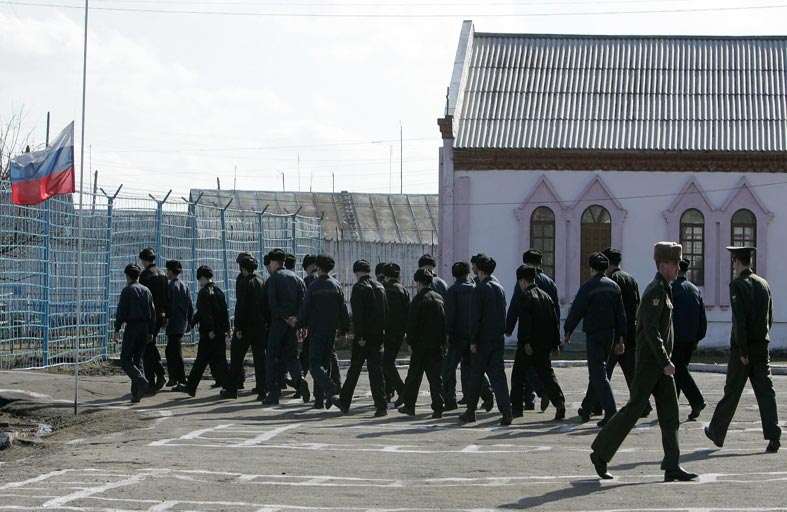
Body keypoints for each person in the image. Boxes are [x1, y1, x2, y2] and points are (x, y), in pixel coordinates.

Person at [590, 242, 698, 482]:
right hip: (652, 364)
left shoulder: (666, 289)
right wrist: (664, 361)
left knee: (670, 413)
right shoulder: (656, 291)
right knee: (633, 409)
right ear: (663, 265)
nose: (677, 268)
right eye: (674, 264)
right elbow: (650, 330)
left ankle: (672, 465)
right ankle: (600, 452)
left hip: (661, 365)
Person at [705, 246, 781, 454]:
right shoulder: (763, 283)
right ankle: (774, 437)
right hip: (762, 345)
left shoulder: (738, 285)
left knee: (732, 391)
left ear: (737, 262)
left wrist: (743, 350)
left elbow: (740, 320)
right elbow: (770, 316)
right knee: (766, 392)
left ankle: (716, 431)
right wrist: (762, 339)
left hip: (744, 349)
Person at [564, 252, 626, 426]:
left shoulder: (588, 286)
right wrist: (621, 339)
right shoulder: (614, 287)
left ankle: (611, 411)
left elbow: (577, 309)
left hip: (594, 335)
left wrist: (568, 330)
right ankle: (587, 408)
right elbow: (621, 315)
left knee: (598, 373)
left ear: (591, 268)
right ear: (606, 268)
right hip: (610, 335)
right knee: (599, 372)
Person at [506, 265, 566, 421]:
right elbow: (554, 322)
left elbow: (526, 322)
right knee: (547, 374)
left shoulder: (525, 297)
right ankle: (559, 403)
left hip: (529, 345)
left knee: (518, 376)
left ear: (522, 281)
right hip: (544, 344)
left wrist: (525, 342)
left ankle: (517, 409)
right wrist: (555, 343)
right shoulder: (546, 297)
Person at [459, 255, 513, 426]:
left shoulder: (480, 289)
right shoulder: (499, 288)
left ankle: (470, 411)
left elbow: (475, 318)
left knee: (475, 375)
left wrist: (473, 340)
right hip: (497, 339)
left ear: (480, 271)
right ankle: (506, 411)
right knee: (498, 377)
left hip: (482, 340)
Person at [600, 247, 651, 418]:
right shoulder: (631, 279)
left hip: (616, 333)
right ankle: (644, 404)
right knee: (631, 372)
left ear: (607, 263)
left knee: (603, 371)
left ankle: (594, 405)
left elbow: (612, 309)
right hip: (631, 331)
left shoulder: (611, 280)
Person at [297, 254, 350, 409]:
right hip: (331, 331)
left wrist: (301, 325)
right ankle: (319, 400)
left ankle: (330, 387)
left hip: (316, 330)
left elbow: (306, 309)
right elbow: (343, 310)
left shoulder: (313, 286)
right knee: (325, 364)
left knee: (315, 365)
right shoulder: (337, 285)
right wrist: (344, 329)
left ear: (317, 267)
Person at [337, 259, 388, 416]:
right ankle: (381, 405)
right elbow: (386, 311)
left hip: (364, 337)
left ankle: (344, 401)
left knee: (355, 369)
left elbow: (358, 316)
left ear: (356, 272)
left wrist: (360, 336)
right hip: (378, 335)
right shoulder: (380, 286)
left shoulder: (359, 288)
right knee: (376, 371)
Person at [443, 261, 493, 411]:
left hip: (457, 337)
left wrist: (447, 334)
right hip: (472, 336)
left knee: (448, 369)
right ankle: (487, 393)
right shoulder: (475, 289)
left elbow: (450, 316)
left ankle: (450, 399)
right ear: (468, 273)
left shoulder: (452, 291)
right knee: (474, 367)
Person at [175, 265, 231, 398]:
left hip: (208, 333)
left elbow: (205, 313)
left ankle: (191, 387)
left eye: (200, 280)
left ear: (203, 278)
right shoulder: (219, 292)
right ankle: (230, 386)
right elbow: (224, 311)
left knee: (200, 361)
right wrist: (227, 327)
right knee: (221, 361)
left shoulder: (203, 293)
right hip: (220, 333)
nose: (199, 283)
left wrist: (209, 328)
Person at [263, 249, 309, 405]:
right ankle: (299, 379)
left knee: (271, 357)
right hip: (294, 324)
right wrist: (298, 321)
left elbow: (272, 304)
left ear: (274, 262)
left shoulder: (273, 279)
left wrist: (285, 317)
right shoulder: (297, 278)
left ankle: (273, 392)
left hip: (278, 323)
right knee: (291, 355)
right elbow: (304, 302)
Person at [399, 269, 447, 417]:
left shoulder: (418, 299)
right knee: (435, 378)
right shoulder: (439, 299)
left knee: (414, 377)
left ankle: (409, 405)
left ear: (418, 282)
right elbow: (444, 322)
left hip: (420, 346)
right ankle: (438, 407)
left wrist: (410, 342)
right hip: (436, 345)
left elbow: (412, 324)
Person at [223, 255, 268, 400]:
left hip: (246, 326)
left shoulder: (244, 282)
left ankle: (232, 388)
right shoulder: (261, 280)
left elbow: (241, 306)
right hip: (260, 326)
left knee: (236, 357)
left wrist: (238, 327)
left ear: (243, 268)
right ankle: (262, 390)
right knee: (260, 359)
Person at [671, 257, 708, 421]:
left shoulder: (671, 289)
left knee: (678, 370)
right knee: (679, 371)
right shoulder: (695, 290)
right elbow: (702, 317)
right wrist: (698, 338)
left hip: (676, 338)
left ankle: (697, 400)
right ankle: (673, 404)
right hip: (690, 339)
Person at [114, 264, 155, 403]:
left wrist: (116, 329)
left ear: (128, 276)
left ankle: (141, 381)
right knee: (138, 359)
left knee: (125, 360)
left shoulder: (127, 291)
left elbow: (121, 312)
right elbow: (152, 312)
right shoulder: (146, 291)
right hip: (144, 327)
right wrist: (151, 331)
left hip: (132, 327)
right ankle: (136, 393)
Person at [138, 247, 169, 392]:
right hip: (161, 314)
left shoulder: (145, 275)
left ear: (144, 260)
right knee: (151, 345)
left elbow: (145, 298)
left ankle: (151, 381)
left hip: (150, 315)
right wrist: (166, 315)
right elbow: (166, 296)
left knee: (146, 348)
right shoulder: (163, 274)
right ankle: (160, 374)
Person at [381, 263, 410, 404]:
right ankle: (391, 390)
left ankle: (401, 390)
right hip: (399, 332)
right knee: (389, 362)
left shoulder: (384, 289)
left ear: (385, 276)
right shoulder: (403, 290)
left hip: (386, 331)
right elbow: (408, 312)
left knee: (386, 362)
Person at [164, 260, 192, 387]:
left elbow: (169, 306)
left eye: (167, 270)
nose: (167, 273)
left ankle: (176, 378)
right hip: (182, 323)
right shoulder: (185, 286)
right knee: (175, 350)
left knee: (172, 352)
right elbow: (190, 306)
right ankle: (178, 378)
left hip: (173, 323)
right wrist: (189, 322)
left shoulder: (170, 287)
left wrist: (166, 319)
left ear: (171, 271)